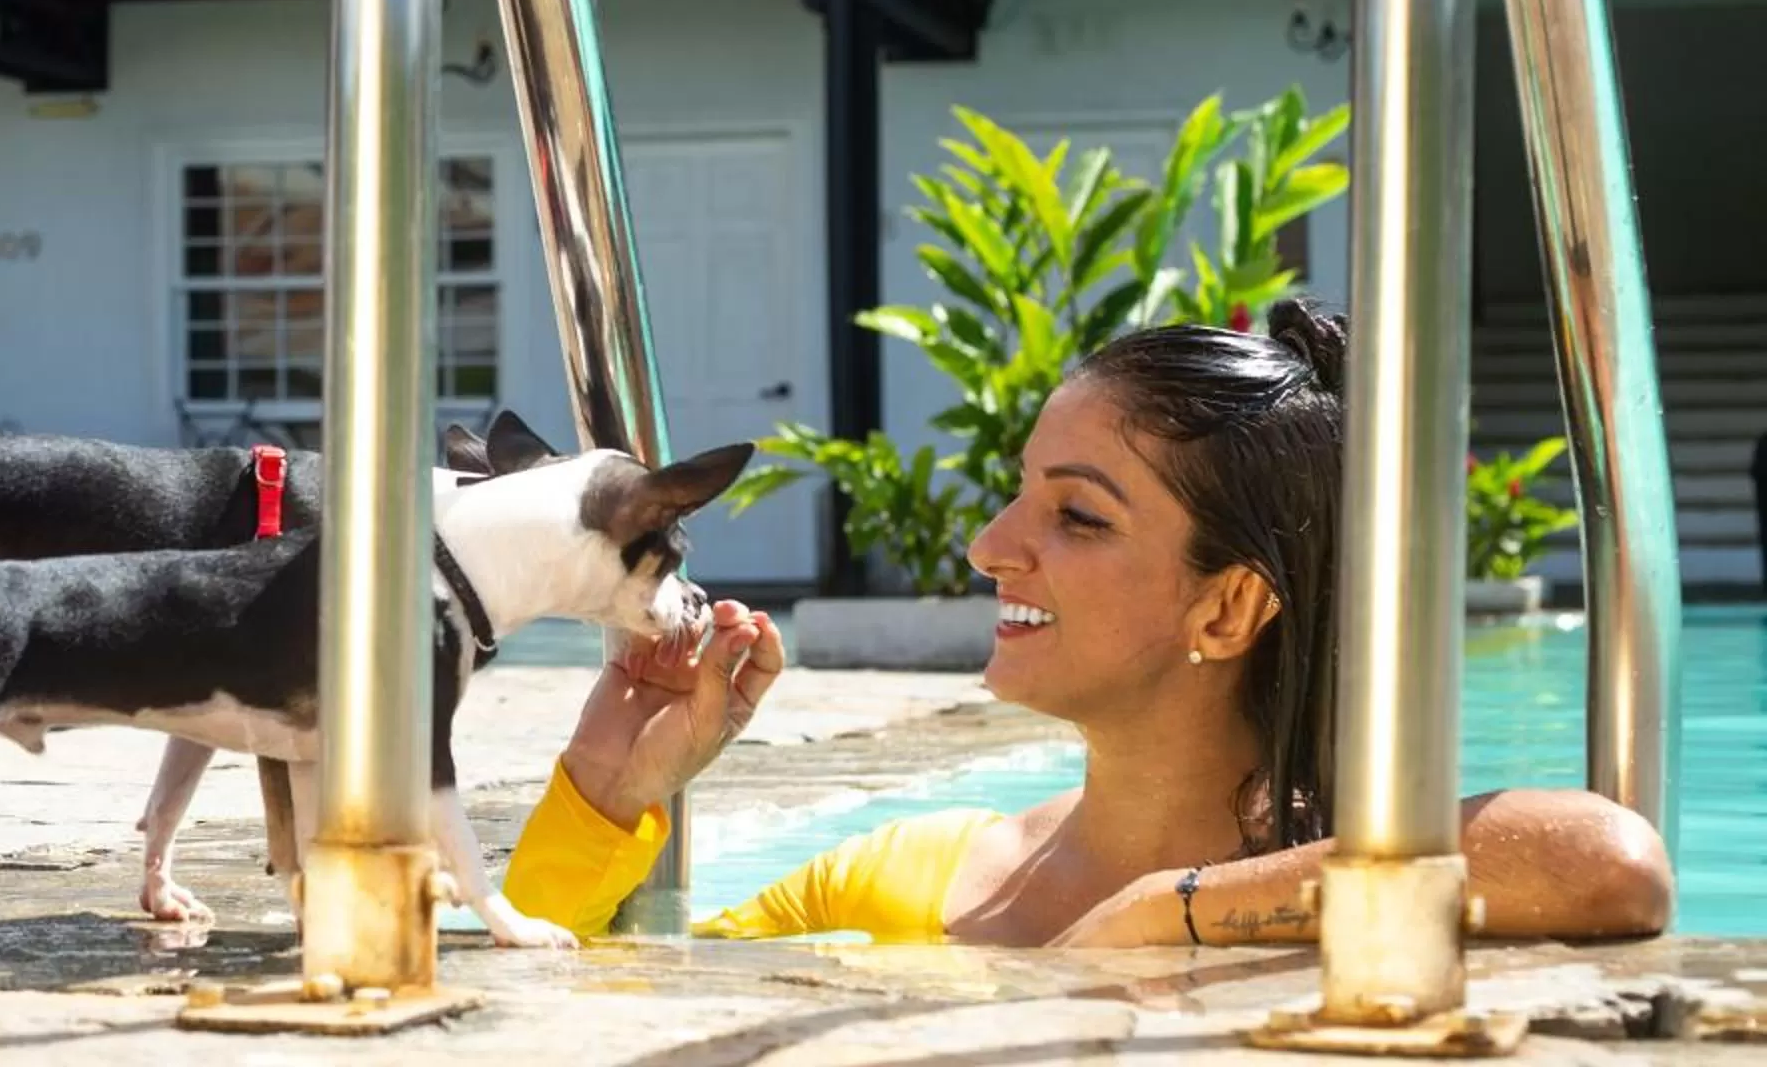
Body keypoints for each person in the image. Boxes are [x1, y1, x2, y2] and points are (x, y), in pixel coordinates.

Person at [499, 300, 1675, 946]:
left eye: (1076, 514)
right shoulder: (906, 878)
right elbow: (591, 1017)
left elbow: (1608, 860)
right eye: (1021, 492)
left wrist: (1163, 916)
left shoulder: (1344, 878)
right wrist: (608, 784)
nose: (990, 545)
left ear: (1228, 605)